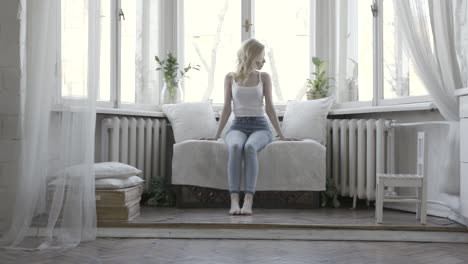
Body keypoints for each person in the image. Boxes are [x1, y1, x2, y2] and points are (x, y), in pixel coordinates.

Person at [208, 38, 299, 216]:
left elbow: (270, 108)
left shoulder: (263, 77)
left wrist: (281, 134)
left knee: (249, 147)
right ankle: (234, 200)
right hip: (237, 126)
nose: (264, 60)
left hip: (260, 127)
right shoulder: (230, 77)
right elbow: (227, 108)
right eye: (261, 56)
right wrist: (216, 135)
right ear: (251, 54)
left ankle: (248, 200)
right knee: (235, 146)